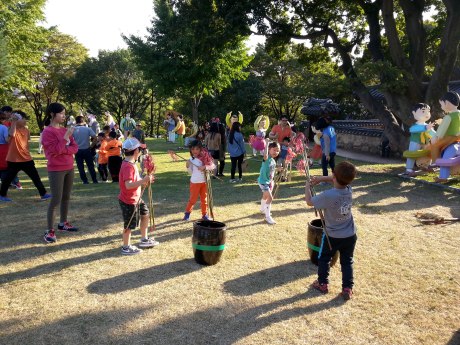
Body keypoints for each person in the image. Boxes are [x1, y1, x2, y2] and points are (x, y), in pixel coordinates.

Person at [305, 161, 358, 301]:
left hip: (332, 236)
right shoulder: (349, 189)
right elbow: (340, 178)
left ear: (333, 176)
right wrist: (322, 178)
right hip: (350, 235)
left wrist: (308, 186)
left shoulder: (328, 195)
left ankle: (322, 284)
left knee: (324, 258)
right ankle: (347, 288)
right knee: (347, 261)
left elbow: (309, 201)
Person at [42, 103, 79, 243]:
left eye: (64, 113)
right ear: (52, 114)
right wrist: (65, 139)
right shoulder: (47, 132)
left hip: (69, 166)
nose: (64, 116)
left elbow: (75, 148)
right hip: (56, 169)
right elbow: (55, 151)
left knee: (66, 197)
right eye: (61, 113)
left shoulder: (65, 129)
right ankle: (49, 231)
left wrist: (65, 148)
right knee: (56, 199)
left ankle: (63, 223)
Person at [118, 137, 159, 255]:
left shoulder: (130, 163)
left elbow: (134, 180)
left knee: (145, 214)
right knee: (129, 224)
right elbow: (128, 185)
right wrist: (143, 181)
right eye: (140, 150)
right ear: (136, 151)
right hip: (129, 200)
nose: (141, 152)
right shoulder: (128, 166)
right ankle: (126, 247)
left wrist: (144, 180)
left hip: (136, 198)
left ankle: (144, 239)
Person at [0, 111, 51, 202]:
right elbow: (11, 135)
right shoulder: (9, 128)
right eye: (23, 119)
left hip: (26, 159)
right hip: (13, 160)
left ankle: (44, 194)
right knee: (8, 179)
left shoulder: (26, 130)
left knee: (35, 178)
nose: (25, 121)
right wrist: (14, 122)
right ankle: (2, 195)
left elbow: (26, 142)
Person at [183, 140, 213, 221]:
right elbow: (190, 172)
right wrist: (188, 166)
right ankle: (187, 214)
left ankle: (204, 214)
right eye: (192, 149)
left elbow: (212, 166)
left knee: (204, 199)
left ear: (200, 149)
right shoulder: (191, 160)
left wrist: (204, 167)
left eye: (196, 149)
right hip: (195, 182)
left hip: (204, 181)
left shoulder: (205, 157)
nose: (194, 151)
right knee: (193, 199)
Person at [405, 103, 435, 176]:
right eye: (423, 111)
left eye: (428, 111)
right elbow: (412, 129)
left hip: (426, 142)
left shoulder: (427, 125)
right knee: (412, 154)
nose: (426, 114)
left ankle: (426, 166)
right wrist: (425, 128)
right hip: (415, 141)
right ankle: (409, 169)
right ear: (414, 113)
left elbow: (433, 133)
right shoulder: (416, 125)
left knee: (428, 153)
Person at [430, 91, 460, 163]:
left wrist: (436, 138)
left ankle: (435, 163)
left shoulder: (448, 117)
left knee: (435, 146)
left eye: (441, 105)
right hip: (458, 136)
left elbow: (441, 131)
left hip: (449, 137)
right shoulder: (458, 113)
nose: (441, 107)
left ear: (447, 103)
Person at [257, 140, 281, 225]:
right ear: (269, 149)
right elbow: (265, 155)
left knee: (265, 196)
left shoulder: (273, 161)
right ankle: (267, 217)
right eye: (274, 150)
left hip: (269, 182)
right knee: (270, 198)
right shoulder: (266, 159)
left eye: (278, 150)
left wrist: (278, 169)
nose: (276, 152)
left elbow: (272, 170)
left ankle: (262, 209)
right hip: (263, 182)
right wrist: (267, 143)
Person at [73, 115, 98, 184]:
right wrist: (91, 146)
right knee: (90, 166)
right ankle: (94, 180)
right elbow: (95, 138)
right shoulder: (87, 129)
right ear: (83, 121)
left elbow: (69, 140)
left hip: (77, 150)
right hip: (87, 149)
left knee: (80, 167)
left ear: (76, 121)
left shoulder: (73, 129)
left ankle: (85, 181)